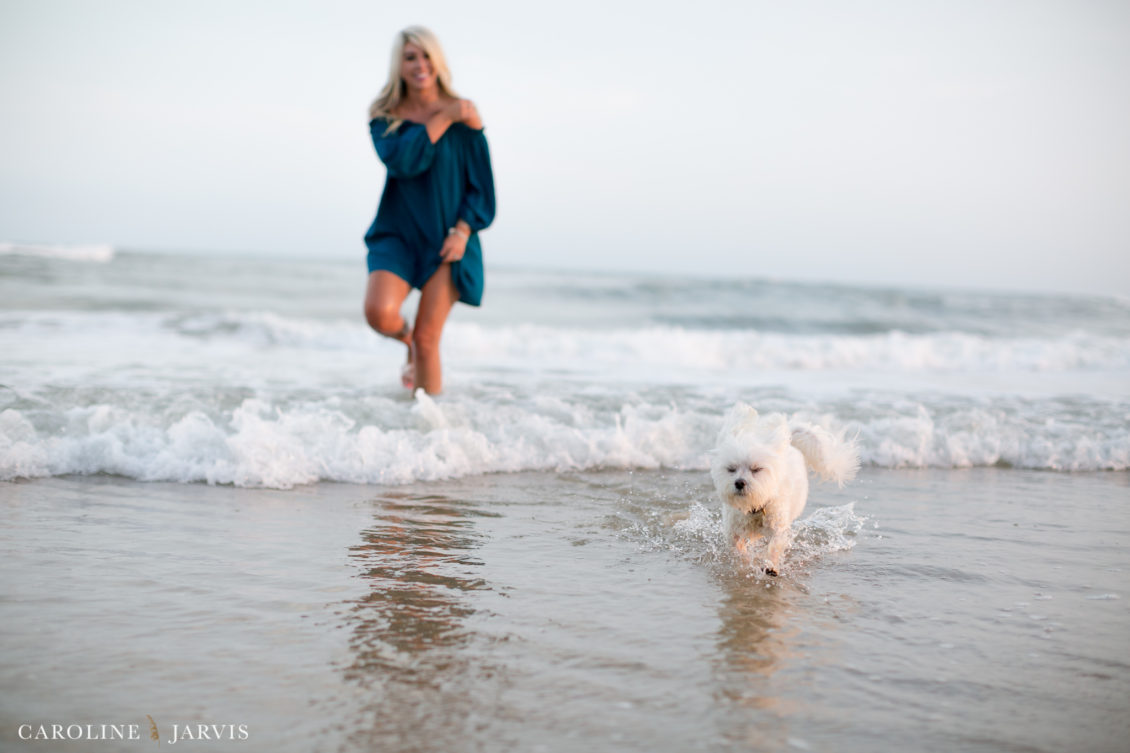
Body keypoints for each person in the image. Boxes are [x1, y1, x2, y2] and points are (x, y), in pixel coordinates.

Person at [362, 26, 496, 396]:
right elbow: (404, 162)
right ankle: (403, 342)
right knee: (379, 314)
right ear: (399, 66)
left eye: (426, 56)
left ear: (438, 62)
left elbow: (481, 186)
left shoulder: (465, 113)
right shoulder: (384, 115)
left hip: (449, 237)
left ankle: (427, 434)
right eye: (410, 57)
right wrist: (443, 117)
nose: (420, 65)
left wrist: (463, 231)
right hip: (398, 234)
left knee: (427, 339)